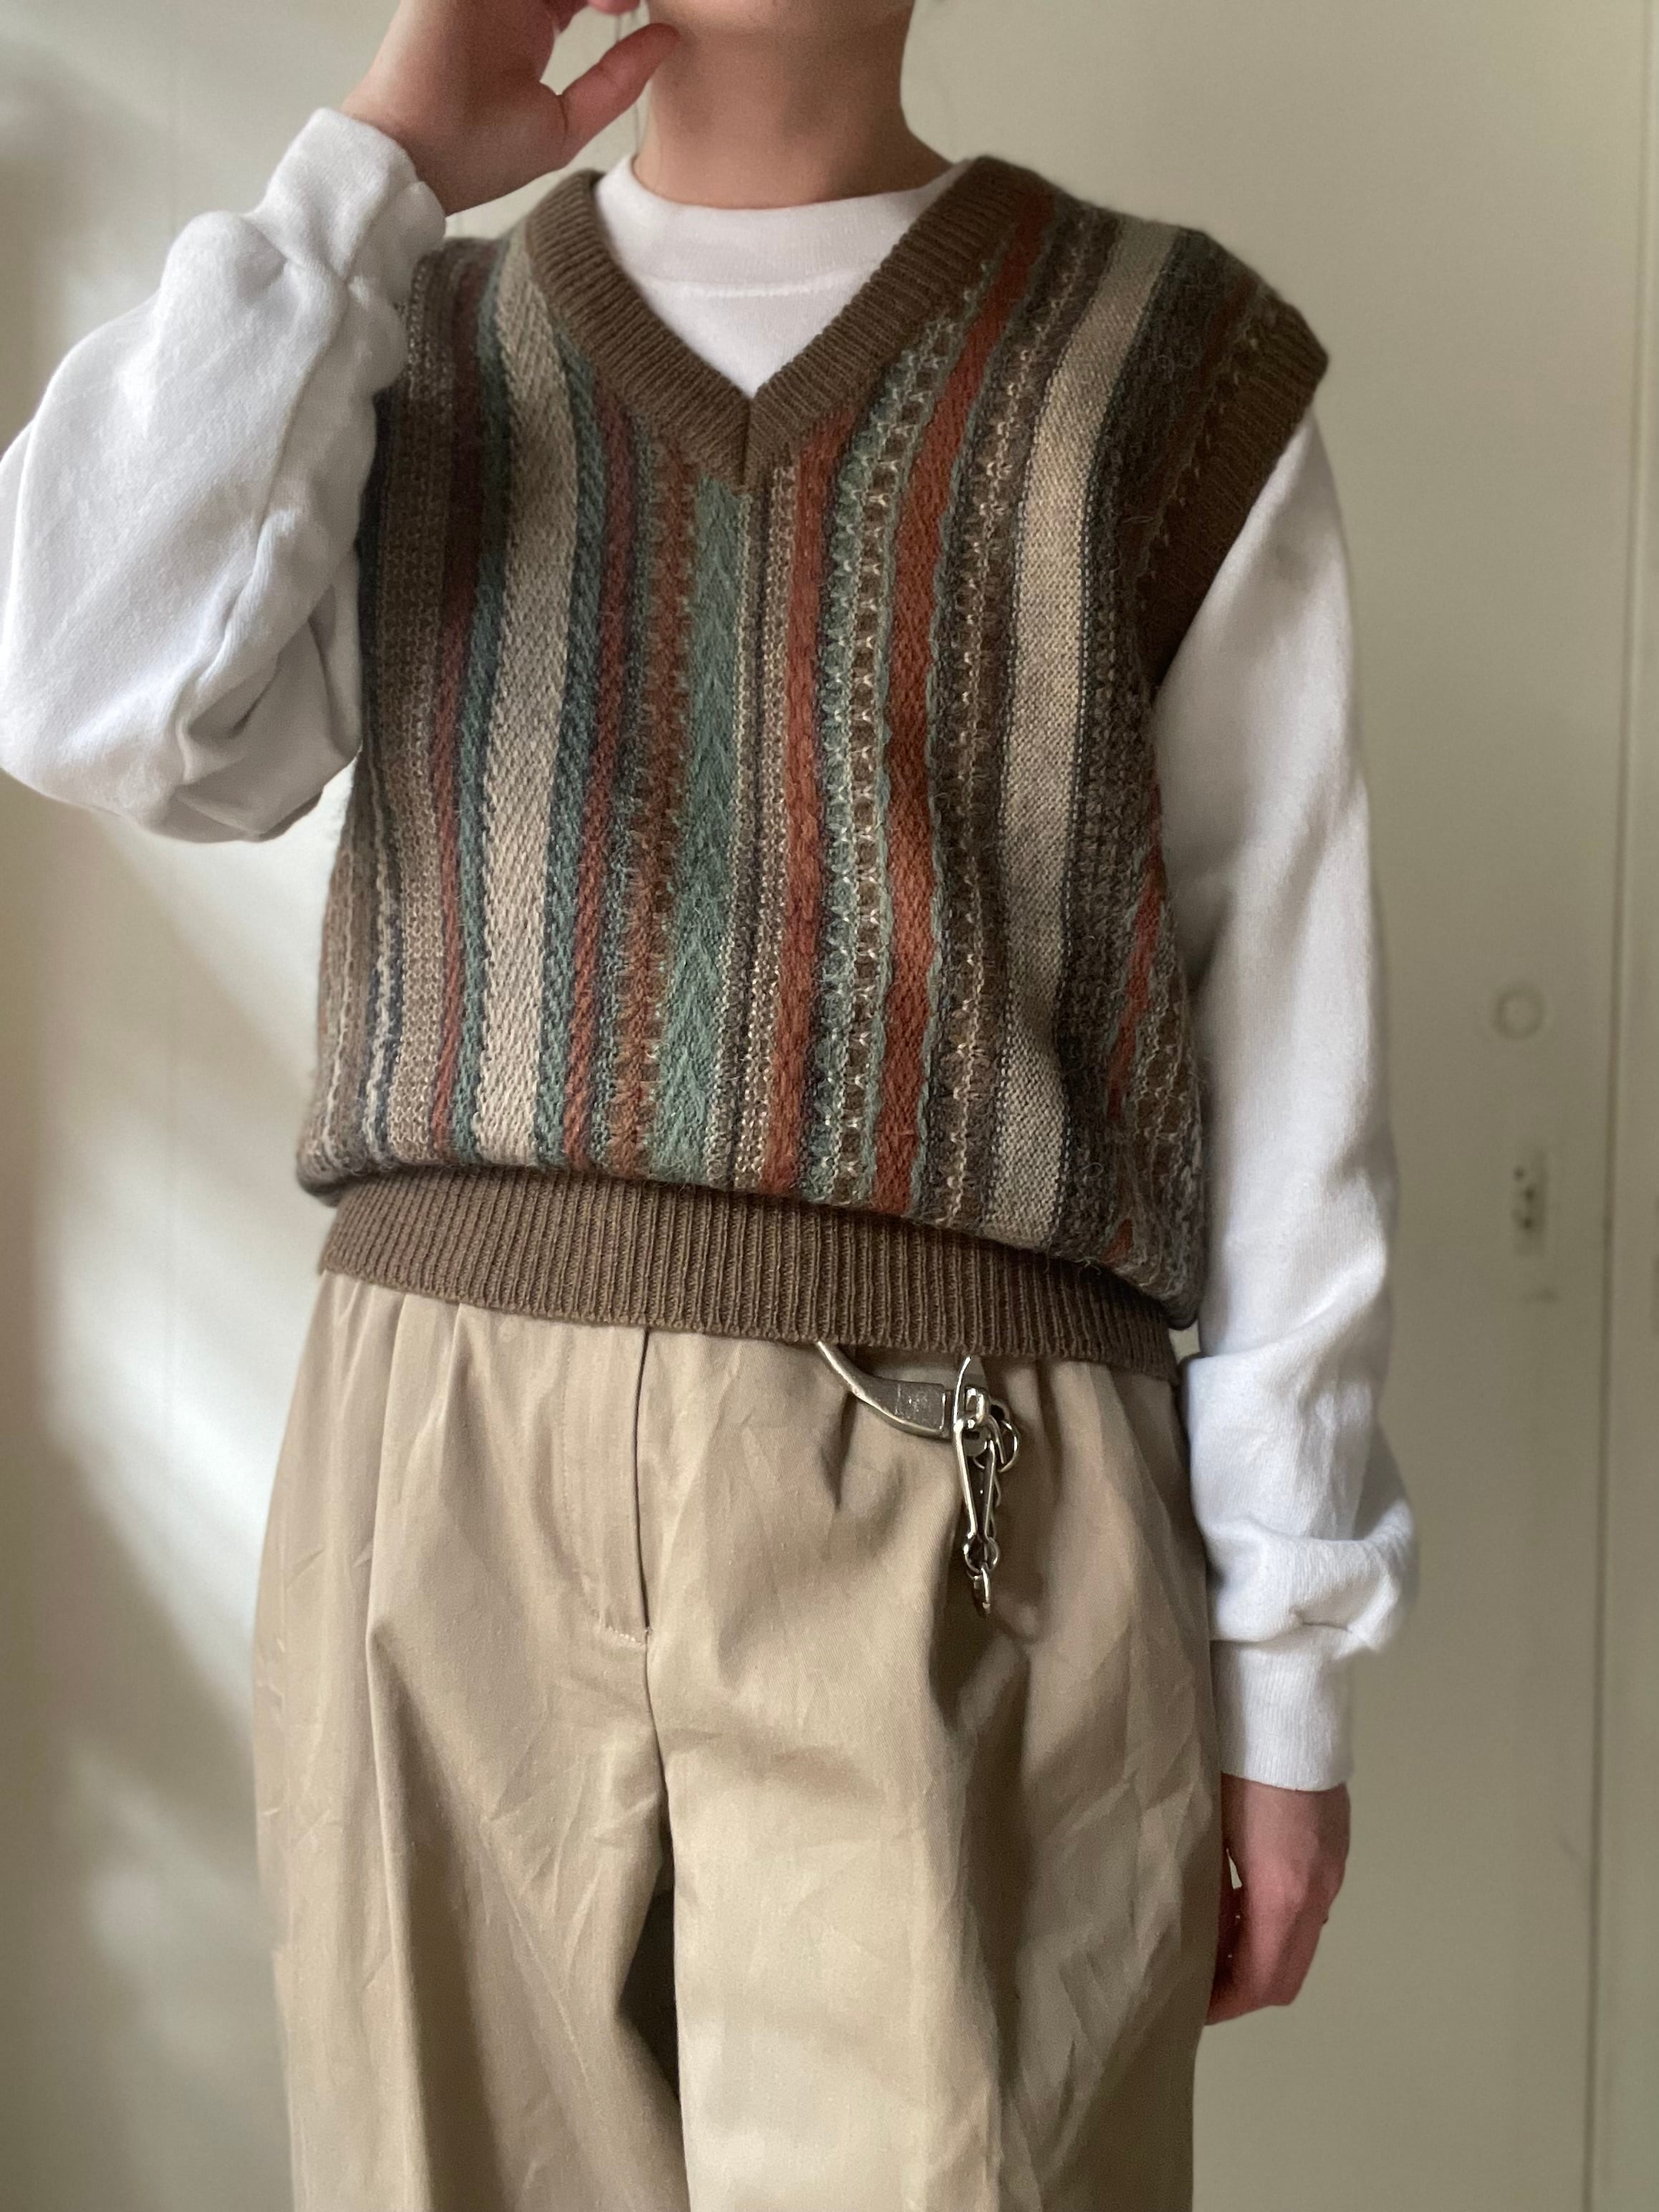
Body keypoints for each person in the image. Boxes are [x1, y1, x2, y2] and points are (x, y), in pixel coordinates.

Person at [0, 1, 1418, 2203]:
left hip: (974, 1492)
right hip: (440, 1464)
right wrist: (376, 164)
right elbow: (80, 692)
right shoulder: (397, 342)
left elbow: (1283, 1030)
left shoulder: (1162, 366)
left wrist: (1286, 1667)